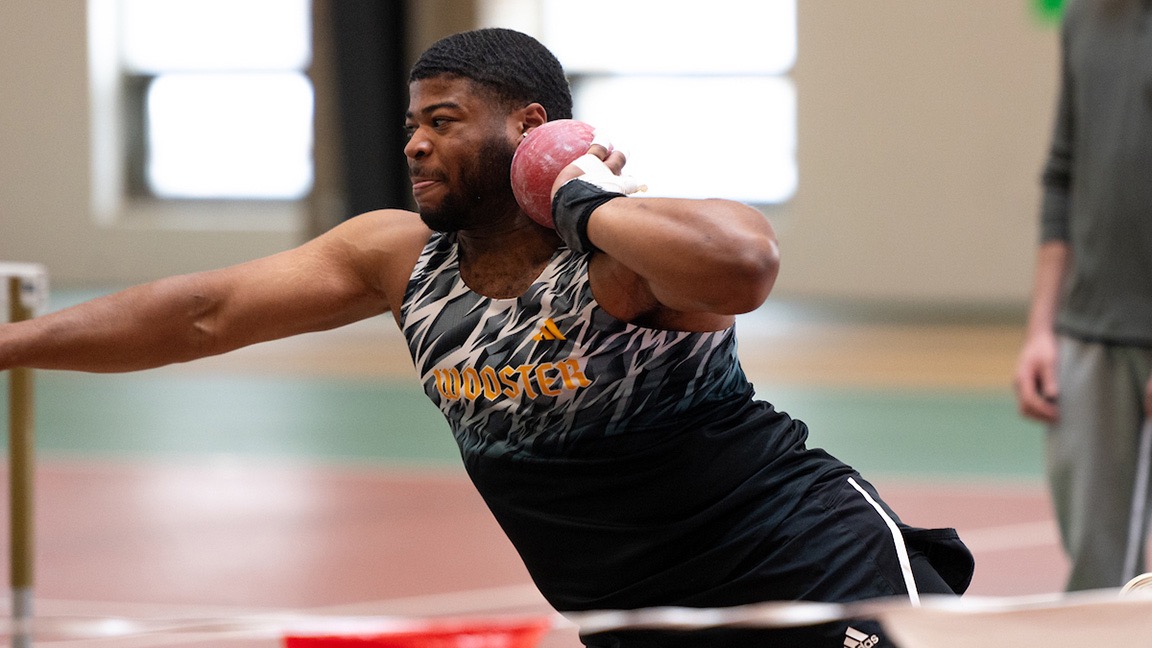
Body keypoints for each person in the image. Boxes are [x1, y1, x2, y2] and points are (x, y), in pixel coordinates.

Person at [0, 28, 971, 647]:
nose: (415, 141)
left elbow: (745, 266)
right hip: (637, 623)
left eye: (446, 121)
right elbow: (200, 312)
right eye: (413, 122)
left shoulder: (616, 251)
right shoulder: (399, 260)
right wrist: (11, 343)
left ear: (532, 127)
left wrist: (580, 196)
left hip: (812, 577)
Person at [1014, 0, 1152, 593]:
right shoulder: (1082, 17)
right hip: (1088, 337)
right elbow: (1062, 176)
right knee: (1099, 576)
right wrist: (1042, 330)